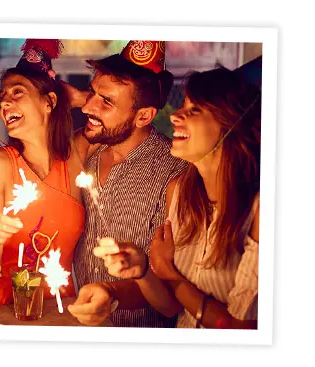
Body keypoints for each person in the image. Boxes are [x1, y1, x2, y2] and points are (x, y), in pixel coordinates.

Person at [87, 66, 261, 329]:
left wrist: (169, 274)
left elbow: (241, 330)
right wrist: (144, 269)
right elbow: (170, 306)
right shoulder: (179, 192)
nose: (176, 116)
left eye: (194, 110)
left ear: (232, 124)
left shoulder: (259, 210)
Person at [64, 41, 188, 328]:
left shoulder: (176, 173)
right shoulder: (89, 152)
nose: (87, 106)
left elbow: (172, 289)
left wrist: (111, 294)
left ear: (143, 116)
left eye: (106, 101)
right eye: (91, 93)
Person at [0, 39, 85, 307]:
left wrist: (78, 98)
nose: (4, 102)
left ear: (50, 102)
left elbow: (113, 110)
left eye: (17, 93)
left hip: (62, 311)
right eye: (2, 96)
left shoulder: (76, 158)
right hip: (6, 309)